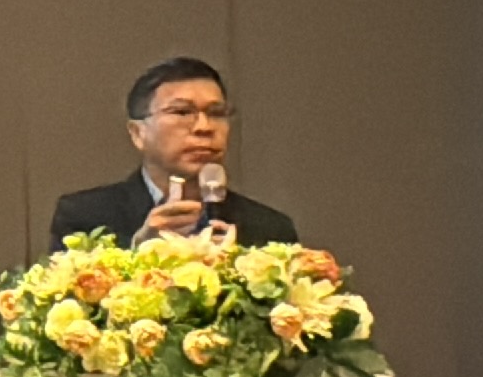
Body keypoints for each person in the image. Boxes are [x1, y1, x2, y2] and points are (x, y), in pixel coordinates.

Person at [48, 57, 299, 248]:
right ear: (138, 133)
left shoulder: (269, 228)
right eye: (181, 112)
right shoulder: (85, 217)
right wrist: (141, 253)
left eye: (216, 113)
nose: (204, 127)